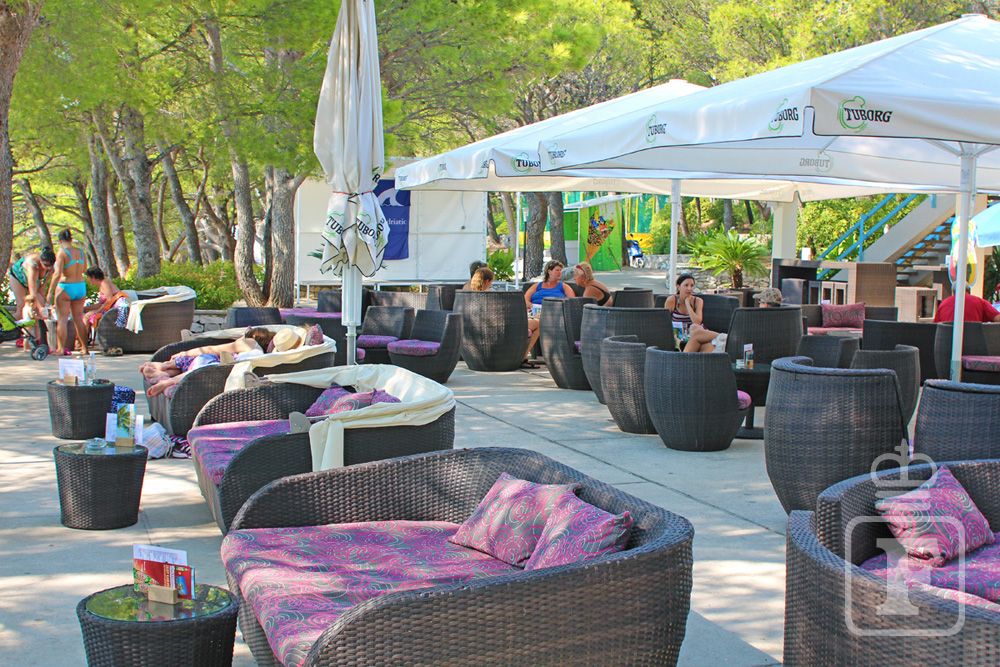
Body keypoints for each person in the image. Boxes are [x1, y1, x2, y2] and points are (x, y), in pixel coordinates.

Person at [142, 327, 303, 397]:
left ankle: (162, 374)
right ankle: (163, 375)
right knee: (195, 367)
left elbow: (213, 349)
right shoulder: (275, 359)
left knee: (190, 365)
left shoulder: (250, 343)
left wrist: (185, 353)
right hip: (216, 371)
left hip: (208, 365)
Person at [523, 260, 575, 367]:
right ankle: (522, 356)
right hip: (534, 313)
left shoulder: (563, 286)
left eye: (561, 271)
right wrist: (531, 305)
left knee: (536, 324)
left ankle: (521, 354)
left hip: (553, 315)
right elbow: (525, 299)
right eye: (557, 270)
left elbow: (572, 301)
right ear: (549, 271)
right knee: (536, 324)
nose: (559, 273)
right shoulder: (537, 286)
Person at [46, 229, 89, 356]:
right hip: (80, 286)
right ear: (71, 239)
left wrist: (50, 292)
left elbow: (57, 274)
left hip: (66, 286)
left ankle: (60, 349)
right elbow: (84, 269)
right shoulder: (81, 252)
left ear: (60, 241)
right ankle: (85, 348)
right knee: (78, 319)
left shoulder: (62, 253)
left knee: (62, 319)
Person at [7, 246, 55, 348]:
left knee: (38, 309)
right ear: (40, 261)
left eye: (50, 266)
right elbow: (32, 291)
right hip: (18, 279)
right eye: (45, 265)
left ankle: (37, 340)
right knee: (22, 307)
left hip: (33, 284)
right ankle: (7, 328)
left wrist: (44, 305)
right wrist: (40, 308)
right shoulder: (33, 265)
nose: (47, 268)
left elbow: (42, 288)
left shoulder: (51, 268)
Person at [663, 273, 719, 353]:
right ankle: (724, 337)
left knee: (697, 331)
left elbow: (697, 322)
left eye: (692, 285)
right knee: (695, 330)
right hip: (679, 337)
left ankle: (685, 360)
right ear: (678, 287)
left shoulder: (698, 301)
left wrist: (688, 304)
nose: (689, 288)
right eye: (686, 285)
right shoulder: (672, 300)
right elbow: (665, 323)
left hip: (698, 335)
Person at [83, 267, 128, 343]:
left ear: (93, 277)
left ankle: (83, 341)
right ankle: (84, 340)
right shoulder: (101, 285)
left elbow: (109, 300)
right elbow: (100, 304)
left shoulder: (104, 283)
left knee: (86, 317)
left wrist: (96, 311)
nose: (88, 280)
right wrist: (86, 308)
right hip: (110, 307)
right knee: (86, 315)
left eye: (88, 277)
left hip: (116, 308)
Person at [934, 288, 1000, 323]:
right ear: (969, 291)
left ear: (953, 292)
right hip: (973, 340)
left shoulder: (944, 303)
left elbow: (935, 325)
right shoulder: (980, 301)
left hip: (947, 341)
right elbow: (998, 318)